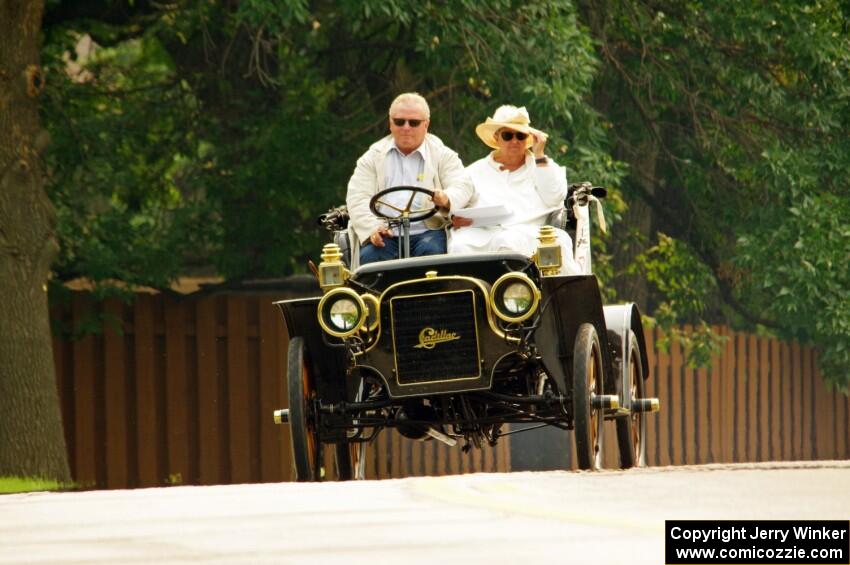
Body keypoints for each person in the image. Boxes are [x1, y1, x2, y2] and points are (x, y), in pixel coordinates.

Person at [449, 105, 581, 275]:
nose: (514, 141)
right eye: (507, 135)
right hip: (483, 235)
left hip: (530, 234)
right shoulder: (473, 172)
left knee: (509, 241)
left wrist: (539, 155)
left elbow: (555, 197)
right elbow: (454, 201)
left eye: (520, 135)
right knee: (458, 245)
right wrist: (454, 218)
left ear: (527, 139)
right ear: (497, 138)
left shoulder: (542, 166)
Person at [346, 92, 474, 265]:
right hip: (386, 234)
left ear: (426, 125)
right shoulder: (372, 157)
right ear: (390, 124)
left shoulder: (443, 154)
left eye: (414, 123)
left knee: (432, 256)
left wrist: (446, 197)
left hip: (429, 231)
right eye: (399, 122)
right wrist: (373, 228)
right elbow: (357, 197)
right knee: (371, 260)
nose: (406, 127)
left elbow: (463, 185)